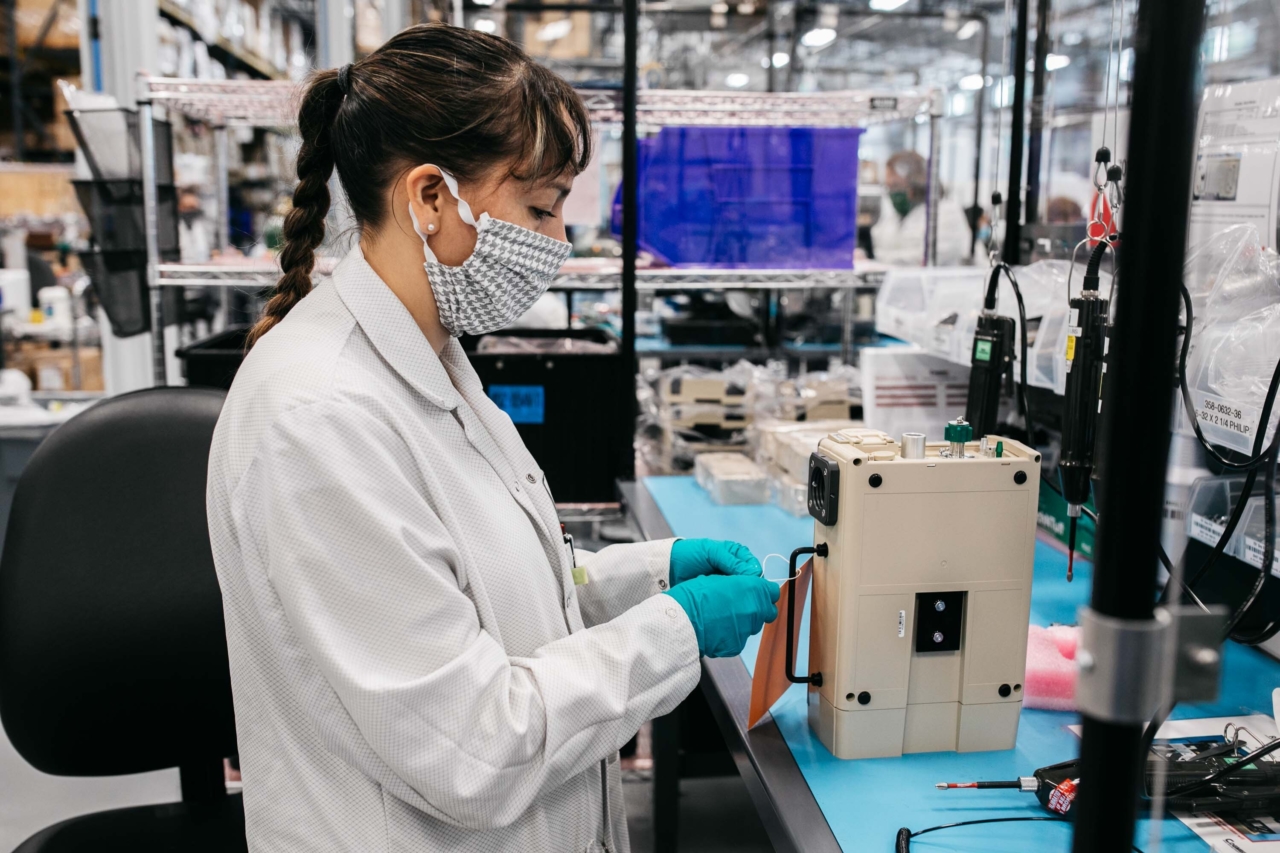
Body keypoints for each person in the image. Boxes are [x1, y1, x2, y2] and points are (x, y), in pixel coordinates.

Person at [205, 24, 779, 853]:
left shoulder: (431, 360)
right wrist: (675, 629)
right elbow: (471, 748)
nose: (558, 242)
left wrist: (650, 574)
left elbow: (485, 600)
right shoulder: (320, 418)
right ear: (431, 198)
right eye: (541, 207)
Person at [869, 149, 974, 265]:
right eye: (889, 187)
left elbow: (925, 258)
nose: (892, 193)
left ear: (916, 183)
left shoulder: (946, 212)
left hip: (943, 282)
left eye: (896, 185)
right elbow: (875, 245)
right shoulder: (894, 217)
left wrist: (879, 258)